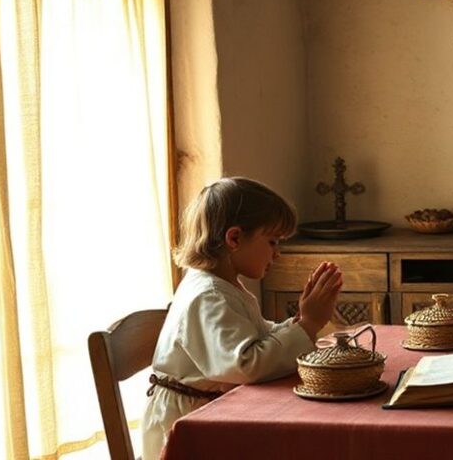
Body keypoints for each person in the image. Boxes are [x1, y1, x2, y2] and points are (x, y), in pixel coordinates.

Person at [142, 177, 343, 459]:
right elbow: (244, 365)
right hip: (187, 429)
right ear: (234, 238)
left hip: (212, 414)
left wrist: (300, 321)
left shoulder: (222, 286)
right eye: (272, 241)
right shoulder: (208, 295)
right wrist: (308, 326)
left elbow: (256, 336)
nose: (277, 253)